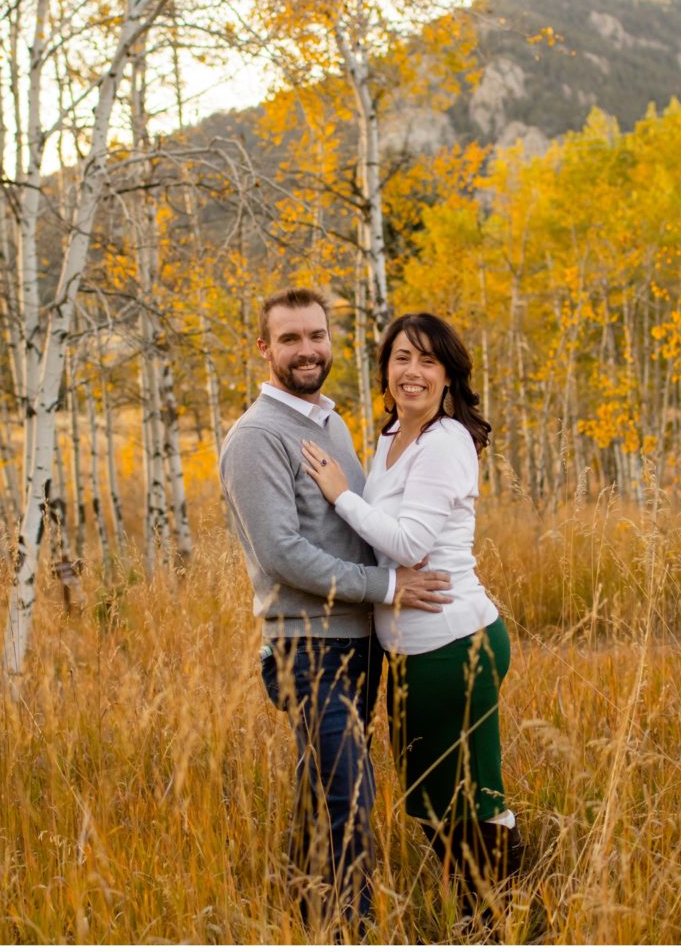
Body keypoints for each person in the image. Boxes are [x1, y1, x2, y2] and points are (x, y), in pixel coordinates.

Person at [219, 288, 455, 935]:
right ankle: (351, 932)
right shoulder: (256, 437)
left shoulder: (329, 421)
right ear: (264, 347)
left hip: (356, 644)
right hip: (306, 646)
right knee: (349, 797)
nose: (307, 349)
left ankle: (306, 921)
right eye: (290, 339)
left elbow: (356, 519)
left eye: (317, 335)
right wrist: (386, 586)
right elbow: (283, 554)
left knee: (321, 795)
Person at [299, 311, 522, 918]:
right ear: (386, 369)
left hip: (452, 644)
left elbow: (407, 544)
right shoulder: (393, 434)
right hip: (414, 648)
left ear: (449, 374)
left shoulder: (445, 442)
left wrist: (339, 493)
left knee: (463, 797)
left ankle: (502, 921)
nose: (413, 371)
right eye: (402, 358)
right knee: (436, 797)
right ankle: (494, 914)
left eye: (427, 360)